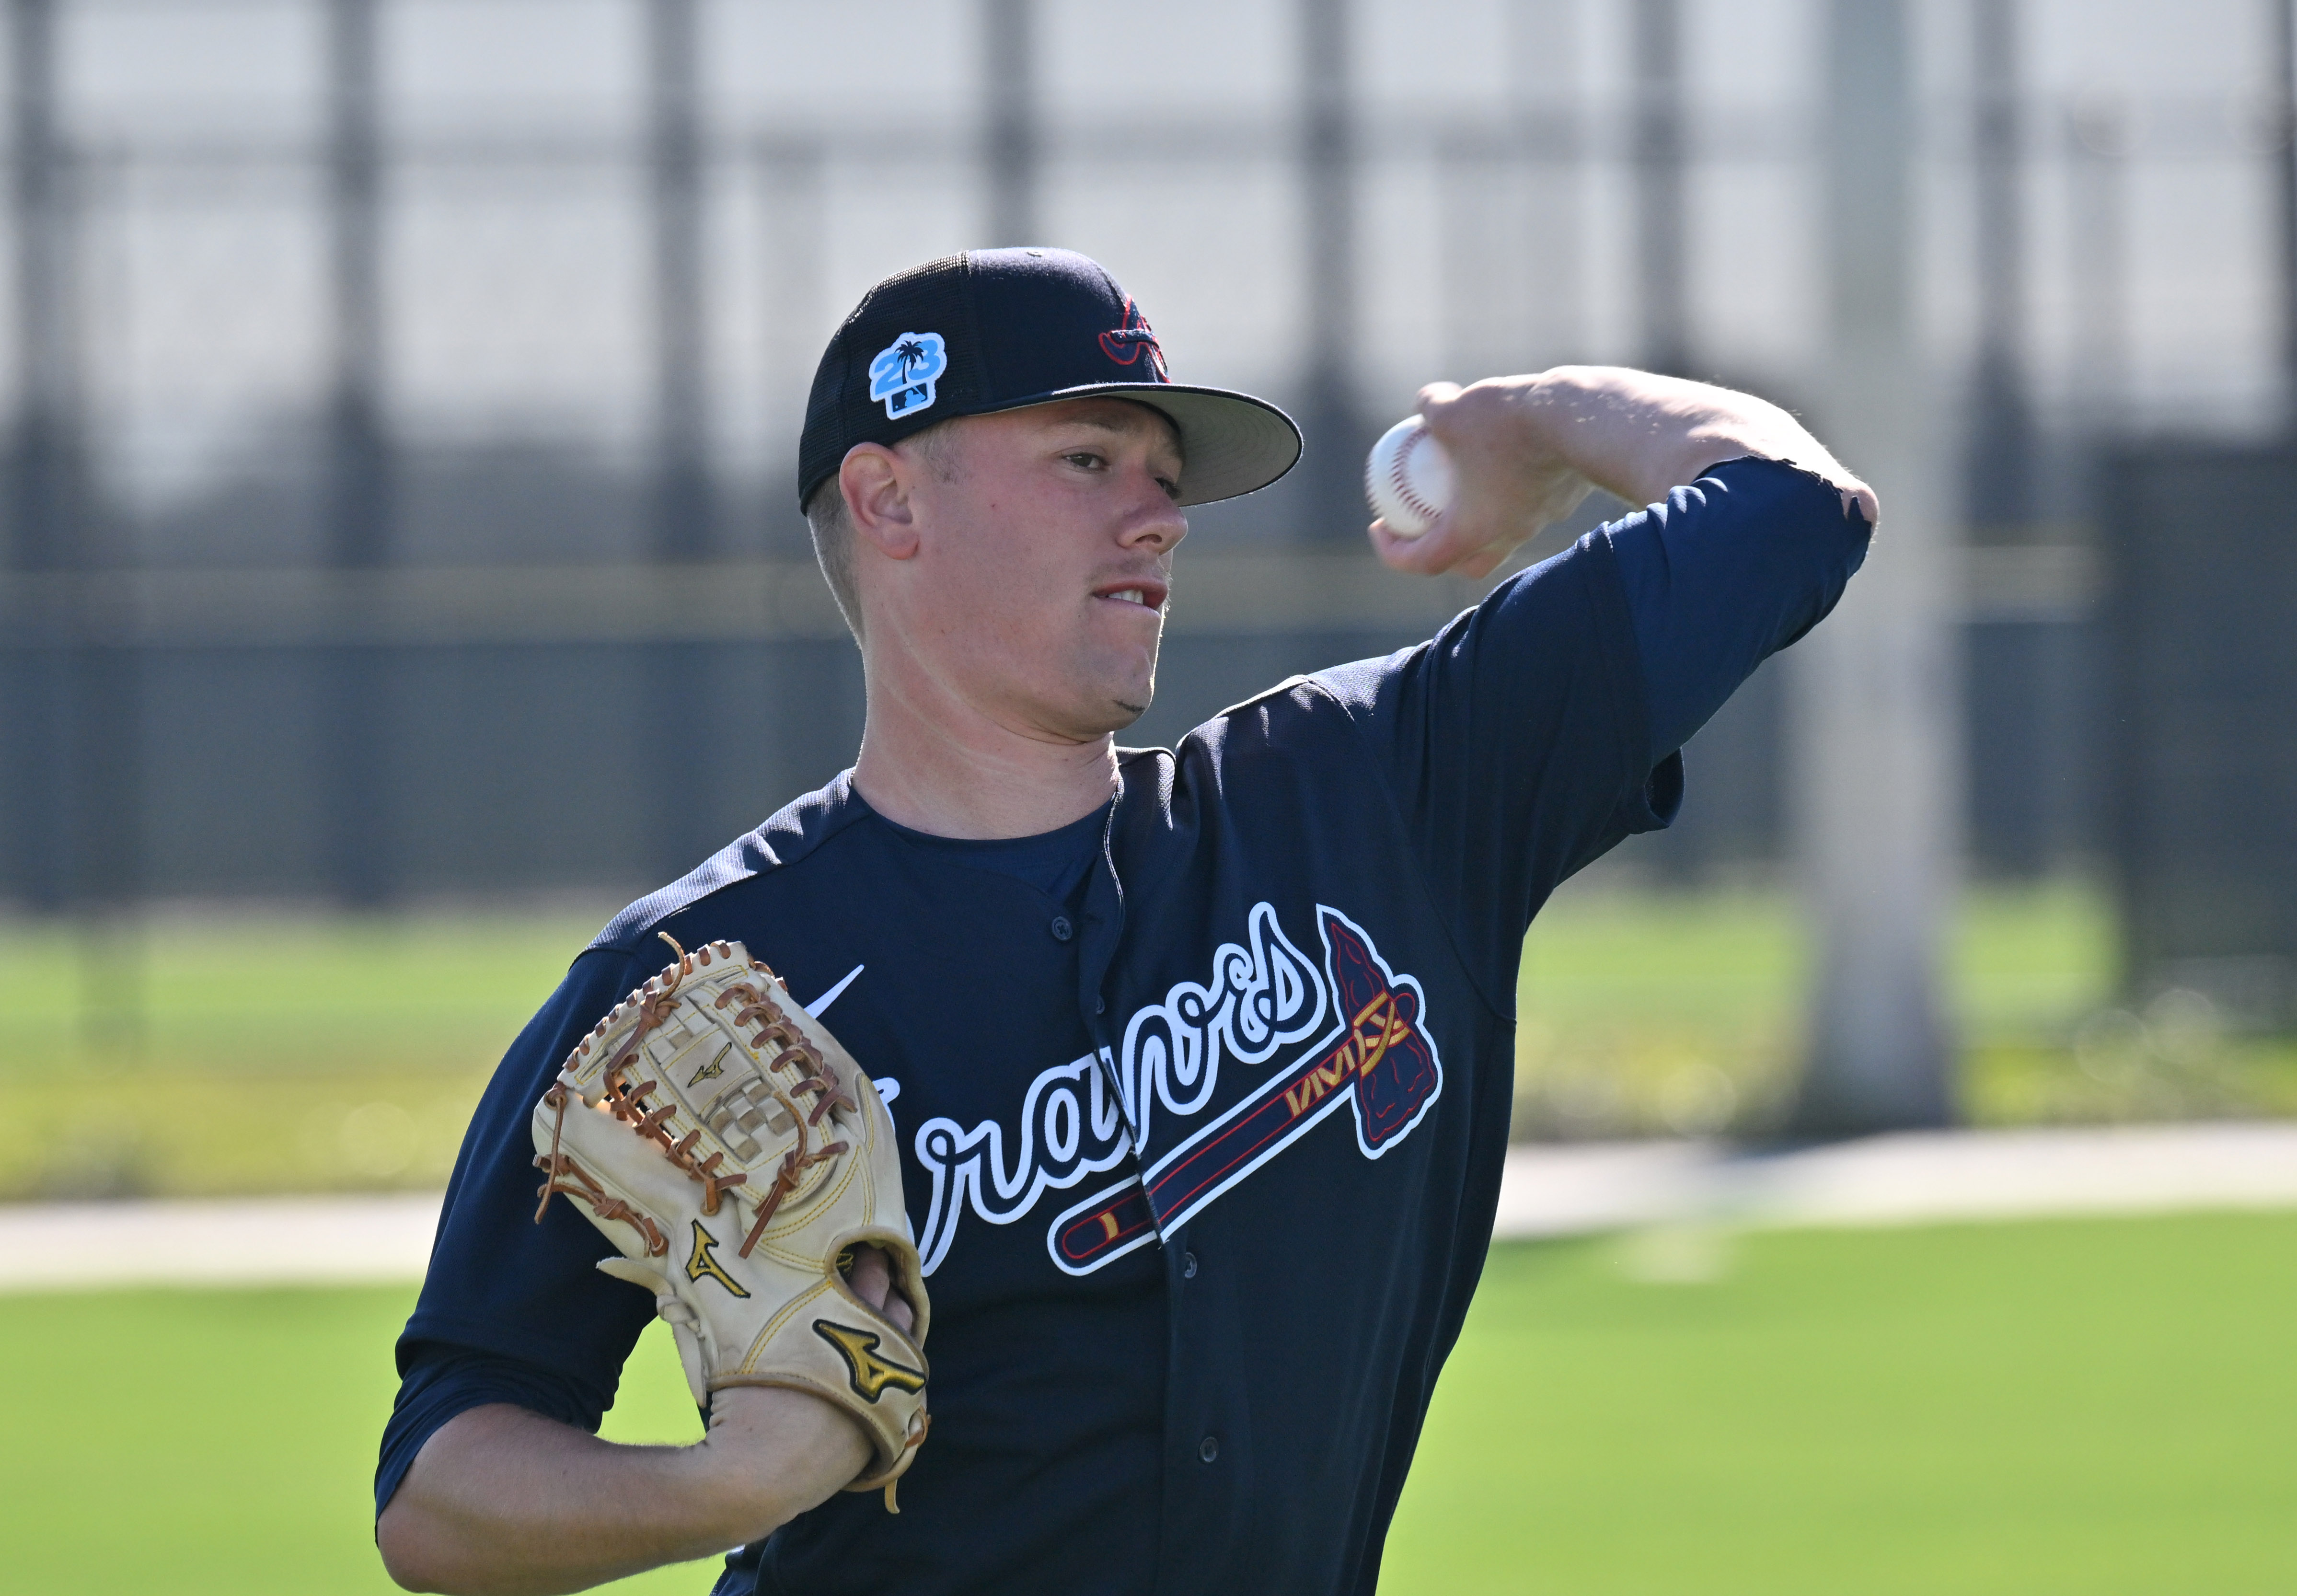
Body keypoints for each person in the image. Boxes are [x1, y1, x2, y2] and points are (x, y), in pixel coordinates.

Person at [374, 247, 1875, 1596]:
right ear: (889, 498)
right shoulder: (698, 987)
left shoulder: (1373, 800)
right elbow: (438, 1488)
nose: (1157, 517)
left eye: (1167, 477)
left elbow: (1788, 511)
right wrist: (729, 1485)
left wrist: (1537, 418)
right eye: (1088, 457)